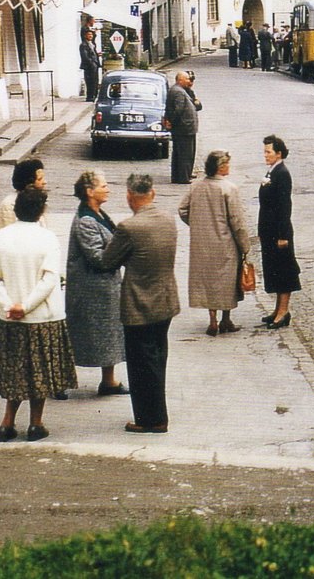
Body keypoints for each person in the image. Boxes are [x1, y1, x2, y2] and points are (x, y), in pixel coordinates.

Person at [0, 188, 77, 442]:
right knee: (40, 371)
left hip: (11, 318)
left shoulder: (2, 236)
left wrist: (9, 304)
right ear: (42, 210)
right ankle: (36, 423)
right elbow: (49, 279)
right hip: (43, 316)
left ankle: (7, 422)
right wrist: (27, 305)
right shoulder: (46, 238)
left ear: (16, 210)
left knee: (16, 369)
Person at [101, 173, 180, 434]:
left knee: (140, 364)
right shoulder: (168, 221)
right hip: (165, 300)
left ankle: (150, 418)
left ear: (129, 196)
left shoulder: (129, 228)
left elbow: (107, 261)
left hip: (139, 304)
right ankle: (157, 414)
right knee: (157, 358)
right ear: (153, 193)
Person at [65, 171, 128, 396]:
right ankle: (62, 381)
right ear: (89, 191)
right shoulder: (85, 221)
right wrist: (124, 253)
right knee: (81, 335)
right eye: (103, 185)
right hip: (90, 290)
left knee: (108, 335)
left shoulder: (97, 212)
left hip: (104, 289)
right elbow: (97, 257)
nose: (108, 188)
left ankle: (108, 381)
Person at [178, 150, 252, 337]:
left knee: (208, 280)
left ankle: (212, 320)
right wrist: (245, 245)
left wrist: (196, 224)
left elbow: (182, 209)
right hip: (224, 241)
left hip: (203, 242)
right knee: (226, 281)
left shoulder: (196, 186)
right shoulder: (229, 188)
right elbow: (237, 221)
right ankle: (226, 319)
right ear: (221, 166)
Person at [0, 158, 48, 381]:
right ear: (28, 181)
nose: (44, 182)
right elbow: (6, 246)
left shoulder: (36, 202)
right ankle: (2, 360)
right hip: (15, 276)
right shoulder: (9, 205)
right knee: (15, 328)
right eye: (40, 178)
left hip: (34, 273)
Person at [258, 135, 301, 330]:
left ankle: (283, 312)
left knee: (284, 271)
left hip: (279, 232)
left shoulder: (282, 173)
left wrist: (283, 235)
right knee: (274, 269)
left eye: (268, 152)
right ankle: (277, 310)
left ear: (279, 153)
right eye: (265, 151)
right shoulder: (272, 171)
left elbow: (285, 206)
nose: (265, 155)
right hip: (270, 230)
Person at [164, 71, 199, 184]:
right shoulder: (178, 92)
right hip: (184, 128)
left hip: (184, 128)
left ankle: (179, 176)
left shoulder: (179, 90)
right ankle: (183, 177)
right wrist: (172, 122)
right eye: (187, 79)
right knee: (185, 154)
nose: (189, 81)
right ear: (180, 80)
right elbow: (178, 110)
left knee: (180, 153)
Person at [79, 29, 101, 102]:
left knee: (95, 81)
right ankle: (90, 96)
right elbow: (85, 56)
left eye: (91, 35)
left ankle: (94, 95)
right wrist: (92, 63)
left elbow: (93, 53)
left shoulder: (93, 44)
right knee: (90, 81)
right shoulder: (83, 45)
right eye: (89, 35)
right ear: (85, 36)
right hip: (89, 66)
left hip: (95, 65)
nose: (90, 36)